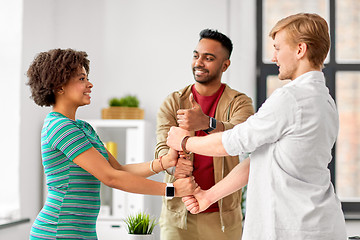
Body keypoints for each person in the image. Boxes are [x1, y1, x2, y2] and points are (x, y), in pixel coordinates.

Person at [167, 13, 348, 240]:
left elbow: (235, 141)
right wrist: (209, 196)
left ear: (300, 50)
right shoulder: (325, 100)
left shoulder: (291, 98)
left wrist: (184, 141)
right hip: (318, 223)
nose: (274, 57)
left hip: (293, 227)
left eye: (278, 48)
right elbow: (260, 159)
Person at [26, 48, 197, 240]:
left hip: (83, 232)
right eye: (81, 79)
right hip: (57, 232)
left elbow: (119, 170)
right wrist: (172, 190)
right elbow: (111, 178)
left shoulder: (83, 127)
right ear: (59, 86)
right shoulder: (59, 127)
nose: (90, 84)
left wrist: (164, 163)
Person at [155, 29, 254, 239]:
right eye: (196, 55)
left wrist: (206, 123)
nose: (199, 62)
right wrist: (173, 165)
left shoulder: (240, 102)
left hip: (222, 216)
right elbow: (162, 147)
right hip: (178, 214)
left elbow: (242, 136)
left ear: (225, 65)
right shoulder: (173, 102)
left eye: (209, 58)